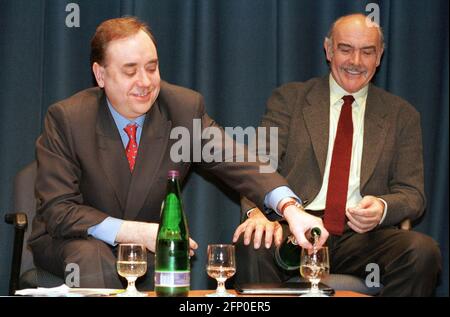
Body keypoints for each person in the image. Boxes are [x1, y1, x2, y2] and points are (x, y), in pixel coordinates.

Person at [29, 17, 321, 289]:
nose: (145, 82)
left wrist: (290, 209)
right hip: (73, 239)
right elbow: (59, 210)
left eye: (152, 67)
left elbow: (238, 161)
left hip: (148, 246)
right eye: (130, 71)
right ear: (100, 74)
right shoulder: (68, 119)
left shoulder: (181, 108)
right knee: (91, 257)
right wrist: (134, 232)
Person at [233, 13, 441, 296]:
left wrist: (382, 208)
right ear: (329, 50)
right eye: (346, 49)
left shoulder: (401, 115)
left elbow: (412, 194)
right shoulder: (290, 99)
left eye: (367, 52)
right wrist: (257, 213)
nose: (356, 61)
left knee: (422, 252)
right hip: (296, 230)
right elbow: (259, 165)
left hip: (363, 239)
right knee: (254, 240)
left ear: (379, 56)